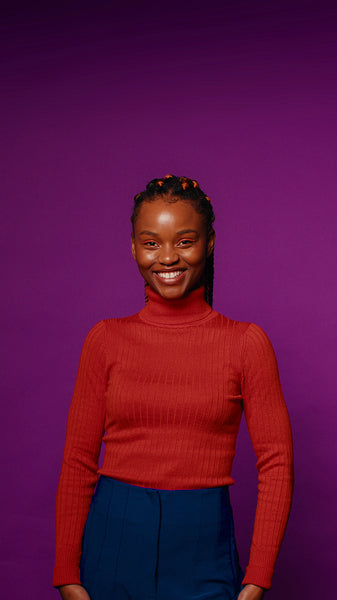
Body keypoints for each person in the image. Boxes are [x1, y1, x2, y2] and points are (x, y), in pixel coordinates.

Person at [53, 175, 294, 600]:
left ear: (210, 243)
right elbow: (77, 460)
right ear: (133, 247)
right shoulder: (105, 340)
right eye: (151, 243)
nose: (167, 257)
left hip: (205, 544)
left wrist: (257, 579)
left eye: (184, 241)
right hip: (113, 538)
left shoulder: (246, 343)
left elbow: (276, 465)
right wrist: (67, 575)